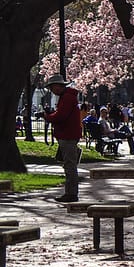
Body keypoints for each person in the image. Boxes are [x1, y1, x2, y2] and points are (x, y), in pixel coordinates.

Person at [44, 74, 82, 202]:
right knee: (69, 164)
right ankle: (70, 192)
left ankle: (71, 193)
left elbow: (61, 116)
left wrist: (48, 117)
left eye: (52, 87)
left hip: (67, 135)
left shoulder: (66, 98)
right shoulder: (67, 97)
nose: (51, 90)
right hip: (68, 134)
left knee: (69, 165)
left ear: (58, 86)